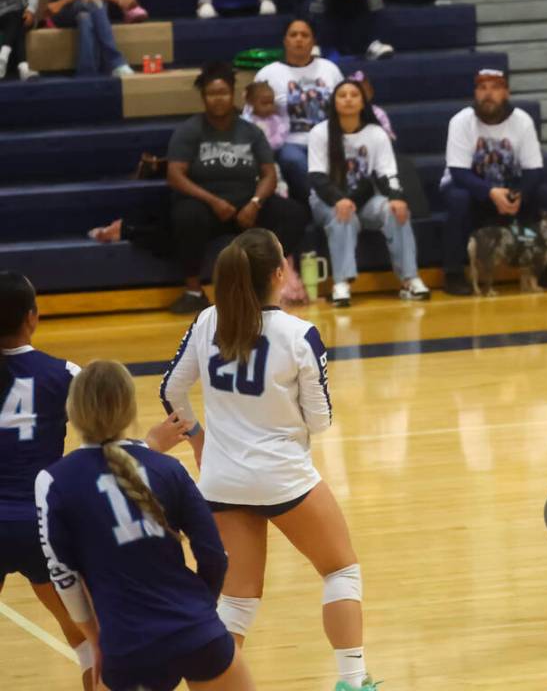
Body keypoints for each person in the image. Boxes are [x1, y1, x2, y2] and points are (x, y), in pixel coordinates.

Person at [160, 228, 380, 691]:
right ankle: (353, 681)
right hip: (285, 479)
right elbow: (320, 421)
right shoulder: (300, 334)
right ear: (279, 274)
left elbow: (171, 390)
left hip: (221, 482)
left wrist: (199, 439)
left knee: (237, 603)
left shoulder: (206, 322)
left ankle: (207, 685)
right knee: (341, 570)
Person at [0, 272, 193, 691]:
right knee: (92, 641)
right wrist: (152, 445)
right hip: (42, 526)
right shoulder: (66, 374)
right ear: (32, 317)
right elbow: (104, 450)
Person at [36, 360, 256, 691]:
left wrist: (95, 640)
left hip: (128, 646)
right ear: (129, 408)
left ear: (72, 410)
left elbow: (64, 578)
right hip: (198, 632)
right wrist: (200, 610)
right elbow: (214, 555)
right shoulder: (168, 468)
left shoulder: (53, 481)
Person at [167, 62, 309, 314]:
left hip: (246, 205)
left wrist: (255, 203)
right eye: (212, 94)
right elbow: (175, 175)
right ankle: (193, 291)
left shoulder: (250, 131)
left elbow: (268, 174)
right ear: (203, 97)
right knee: (185, 215)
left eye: (223, 93)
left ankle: (261, 285)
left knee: (294, 214)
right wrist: (213, 201)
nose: (218, 99)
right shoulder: (190, 130)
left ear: (232, 94)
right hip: (206, 205)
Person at [441, 68, 547, 296]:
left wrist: (520, 195)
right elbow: (458, 171)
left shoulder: (522, 121)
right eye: (482, 88)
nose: (488, 94)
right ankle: (453, 273)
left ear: (506, 92)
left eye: (495, 88)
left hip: (510, 188)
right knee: (458, 199)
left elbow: (534, 169)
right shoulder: (460, 121)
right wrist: (490, 192)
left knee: (545, 195)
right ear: (475, 93)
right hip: (470, 187)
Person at [309, 79, 430, 306]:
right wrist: (339, 199)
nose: (348, 99)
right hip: (326, 200)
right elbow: (317, 177)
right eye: (342, 95)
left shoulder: (376, 133)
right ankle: (341, 283)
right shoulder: (320, 132)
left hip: (364, 199)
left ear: (363, 102)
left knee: (397, 211)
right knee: (342, 214)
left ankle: (410, 279)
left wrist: (397, 199)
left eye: (354, 95)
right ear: (333, 102)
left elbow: (387, 173)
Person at [252, 19, 345, 203]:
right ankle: (326, 202)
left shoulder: (330, 69)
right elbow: (252, 116)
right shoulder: (267, 74)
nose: (299, 39)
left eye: (305, 35)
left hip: (329, 139)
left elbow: (345, 103)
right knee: (292, 159)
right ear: (285, 41)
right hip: (290, 143)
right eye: (293, 35)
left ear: (313, 41)